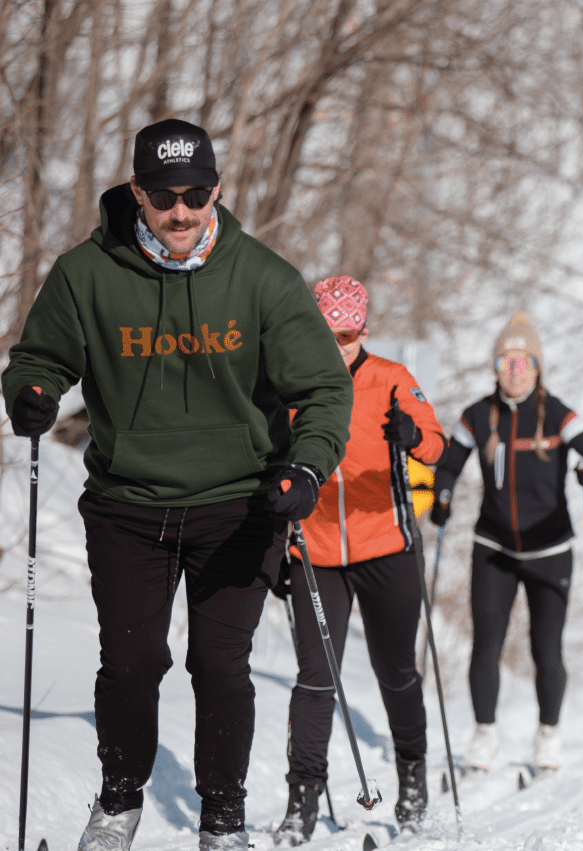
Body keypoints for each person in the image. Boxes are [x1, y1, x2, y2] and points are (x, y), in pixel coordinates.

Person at [1, 118, 353, 851]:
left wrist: (307, 465)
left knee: (220, 665)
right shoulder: (86, 273)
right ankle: (119, 800)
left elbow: (323, 388)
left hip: (239, 503)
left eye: (196, 192)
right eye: (164, 195)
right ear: (137, 193)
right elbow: (40, 358)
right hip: (127, 505)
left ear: (217, 189)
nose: (182, 210)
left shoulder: (262, 277)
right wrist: (30, 390)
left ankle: (223, 819)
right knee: (130, 662)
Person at [273, 277, 445, 845]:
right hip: (315, 552)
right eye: (327, 334)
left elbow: (438, 447)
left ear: (362, 331)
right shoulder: (289, 382)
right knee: (316, 680)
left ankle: (413, 780)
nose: (337, 344)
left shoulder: (391, 378)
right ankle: (302, 800)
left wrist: (411, 433)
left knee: (395, 672)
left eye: (346, 335)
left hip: (387, 549)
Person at [429, 312, 583, 774]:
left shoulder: (558, 415)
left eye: (524, 360)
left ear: (537, 367)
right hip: (493, 547)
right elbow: (448, 464)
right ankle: (485, 736)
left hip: (549, 550)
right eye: (506, 360)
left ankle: (548, 735)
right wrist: (443, 495)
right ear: (495, 366)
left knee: (545, 649)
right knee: (486, 645)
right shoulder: (476, 415)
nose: (515, 370)